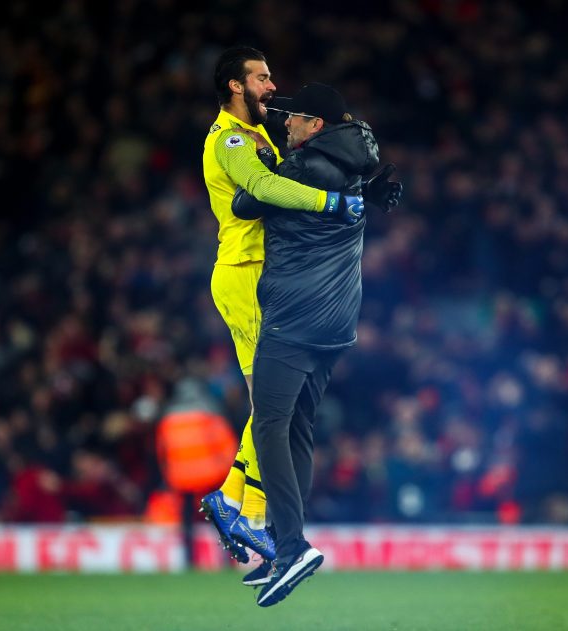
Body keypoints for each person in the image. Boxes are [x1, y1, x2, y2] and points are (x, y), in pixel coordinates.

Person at [198, 46, 366, 578]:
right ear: (234, 86)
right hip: (245, 271)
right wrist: (333, 203)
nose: (272, 87)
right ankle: (235, 504)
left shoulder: (261, 134)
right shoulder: (229, 139)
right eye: (262, 78)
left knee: (276, 410)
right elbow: (265, 188)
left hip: (265, 275)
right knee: (270, 406)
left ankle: (247, 512)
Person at [231, 82, 400, 607]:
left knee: (269, 425)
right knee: (299, 428)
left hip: (294, 319)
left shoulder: (307, 169)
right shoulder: (355, 166)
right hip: (336, 322)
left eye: (295, 118)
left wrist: (265, 163)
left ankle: (290, 547)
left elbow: (245, 203)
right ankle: (288, 547)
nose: (286, 124)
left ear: (317, 126)